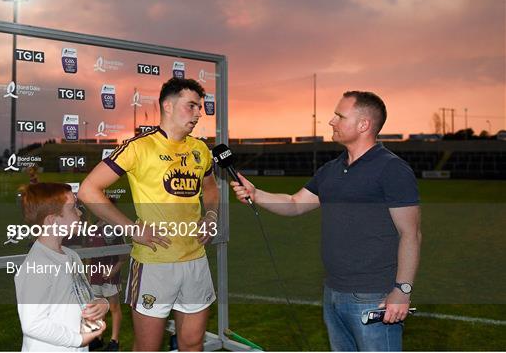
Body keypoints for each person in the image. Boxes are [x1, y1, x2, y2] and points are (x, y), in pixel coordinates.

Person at [231, 91, 421, 351]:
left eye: (340, 116)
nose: (332, 121)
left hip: (373, 296)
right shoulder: (331, 169)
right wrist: (256, 194)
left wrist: (402, 291)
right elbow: (295, 204)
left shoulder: (392, 169)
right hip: (332, 293)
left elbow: (411, 234)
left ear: (364, 124)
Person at [78, 77, 219, 351]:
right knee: (147, 348)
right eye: (191, 106)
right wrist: (131, 229)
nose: (198, 113)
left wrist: (211, 216)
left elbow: (211, 190)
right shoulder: (139, 147)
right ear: (168, 105)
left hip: (196, 262)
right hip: (154, 264)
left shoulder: (200, 149)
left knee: (193, 344)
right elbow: (88, 190)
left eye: (199, 108)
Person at [15, 182, 109, 351]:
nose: (80, 212)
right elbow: (32, 324)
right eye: (73, 208)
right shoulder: (37, 265)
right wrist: (77, 340)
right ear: (52, 220)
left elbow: (84, 296)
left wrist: (101, 304)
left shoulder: (71, 255)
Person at [85, 197, 127, 352]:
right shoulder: (94, 227)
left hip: (110, 277)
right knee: (97, 307)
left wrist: (113, 271)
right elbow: (89, 253)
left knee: (114, 308)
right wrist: (89, 272)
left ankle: (114, 341)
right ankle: (98, 337)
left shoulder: (115, 229)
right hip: (95, 277)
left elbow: (123, 256)